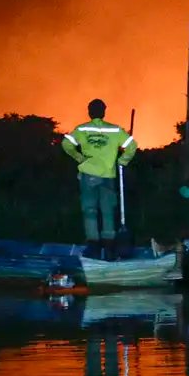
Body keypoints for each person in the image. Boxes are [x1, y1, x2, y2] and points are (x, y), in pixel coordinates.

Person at [62, 98, 135, 260]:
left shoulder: (82, 129)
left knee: (90, 211)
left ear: (89, 112)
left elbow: (66, 143)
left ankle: (93, 248)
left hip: (88, 175)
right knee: (108, 212)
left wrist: (79, 158)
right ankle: (109, 250)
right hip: (108, 176)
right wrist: (122, 161)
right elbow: (132, 145)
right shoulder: (115, 130)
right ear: (104, 112)